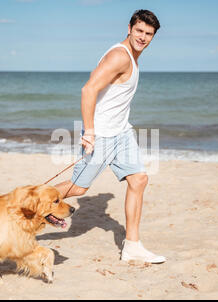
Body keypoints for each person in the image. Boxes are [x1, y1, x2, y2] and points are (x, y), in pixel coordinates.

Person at [55, 9, 165, 263]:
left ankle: (132, 246)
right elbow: (88, 89)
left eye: (149, 34)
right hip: (102, 134)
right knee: (78, 188)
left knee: (139, 180)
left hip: (122, 131)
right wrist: (90, 131)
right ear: (129, 28)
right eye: (139, 31)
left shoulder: (133, 56)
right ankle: (30, 204)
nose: (143, 37)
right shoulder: (120, 56)